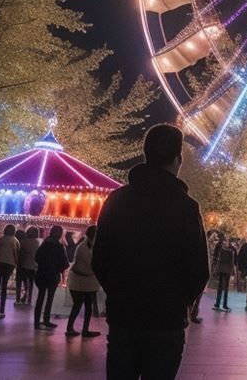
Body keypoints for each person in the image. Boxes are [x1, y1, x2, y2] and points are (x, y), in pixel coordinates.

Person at [92, 124, 210, 380]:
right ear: (177, 159)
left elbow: (99, 258)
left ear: (146, 153)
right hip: (166, 319)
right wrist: (181, 302)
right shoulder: (186, 207)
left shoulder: (117, 200)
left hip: (124, 315)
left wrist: (118, 290)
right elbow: (199, 269)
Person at [66, 225, 101, 338]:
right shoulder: (83, 248)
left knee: (86, 305)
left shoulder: (87, 247)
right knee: (79, 304)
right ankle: (72, 328)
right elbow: (91, 265)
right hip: (80, 280)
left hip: (85, 281)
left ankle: (81, 329)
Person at [34, 225, 69, 330]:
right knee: (49, 299)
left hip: (41, 274)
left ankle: (36, 321)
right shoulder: (59, 247)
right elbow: (65, 263)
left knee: (40, 298)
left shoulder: (44, 244)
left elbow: (37, 257)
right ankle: (46, 320)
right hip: (53, 275)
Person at [0, 224, 20, 318]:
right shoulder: (15, 241)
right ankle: (2, 310)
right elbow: (16, 254)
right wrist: (16, 264)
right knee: (4, 286)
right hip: (9, 264)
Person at [16, 227, 40, 305]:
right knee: (30, 284)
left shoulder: (23, 241)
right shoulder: (37, 242)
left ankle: (18, 298)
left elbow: (19, 252)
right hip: (32, 266)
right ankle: (29, 299)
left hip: (22, 264)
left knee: (19, 282)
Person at [212, 235, 235, 311]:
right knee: (226, 288)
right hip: (227, 270)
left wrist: (216, 270)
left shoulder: (221, 250)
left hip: (222, 269)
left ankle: (217, 304)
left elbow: (219, 260)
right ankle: (225, 305)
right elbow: (232, 262)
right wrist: (232, 272)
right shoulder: (232, 251)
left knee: (220, 287)